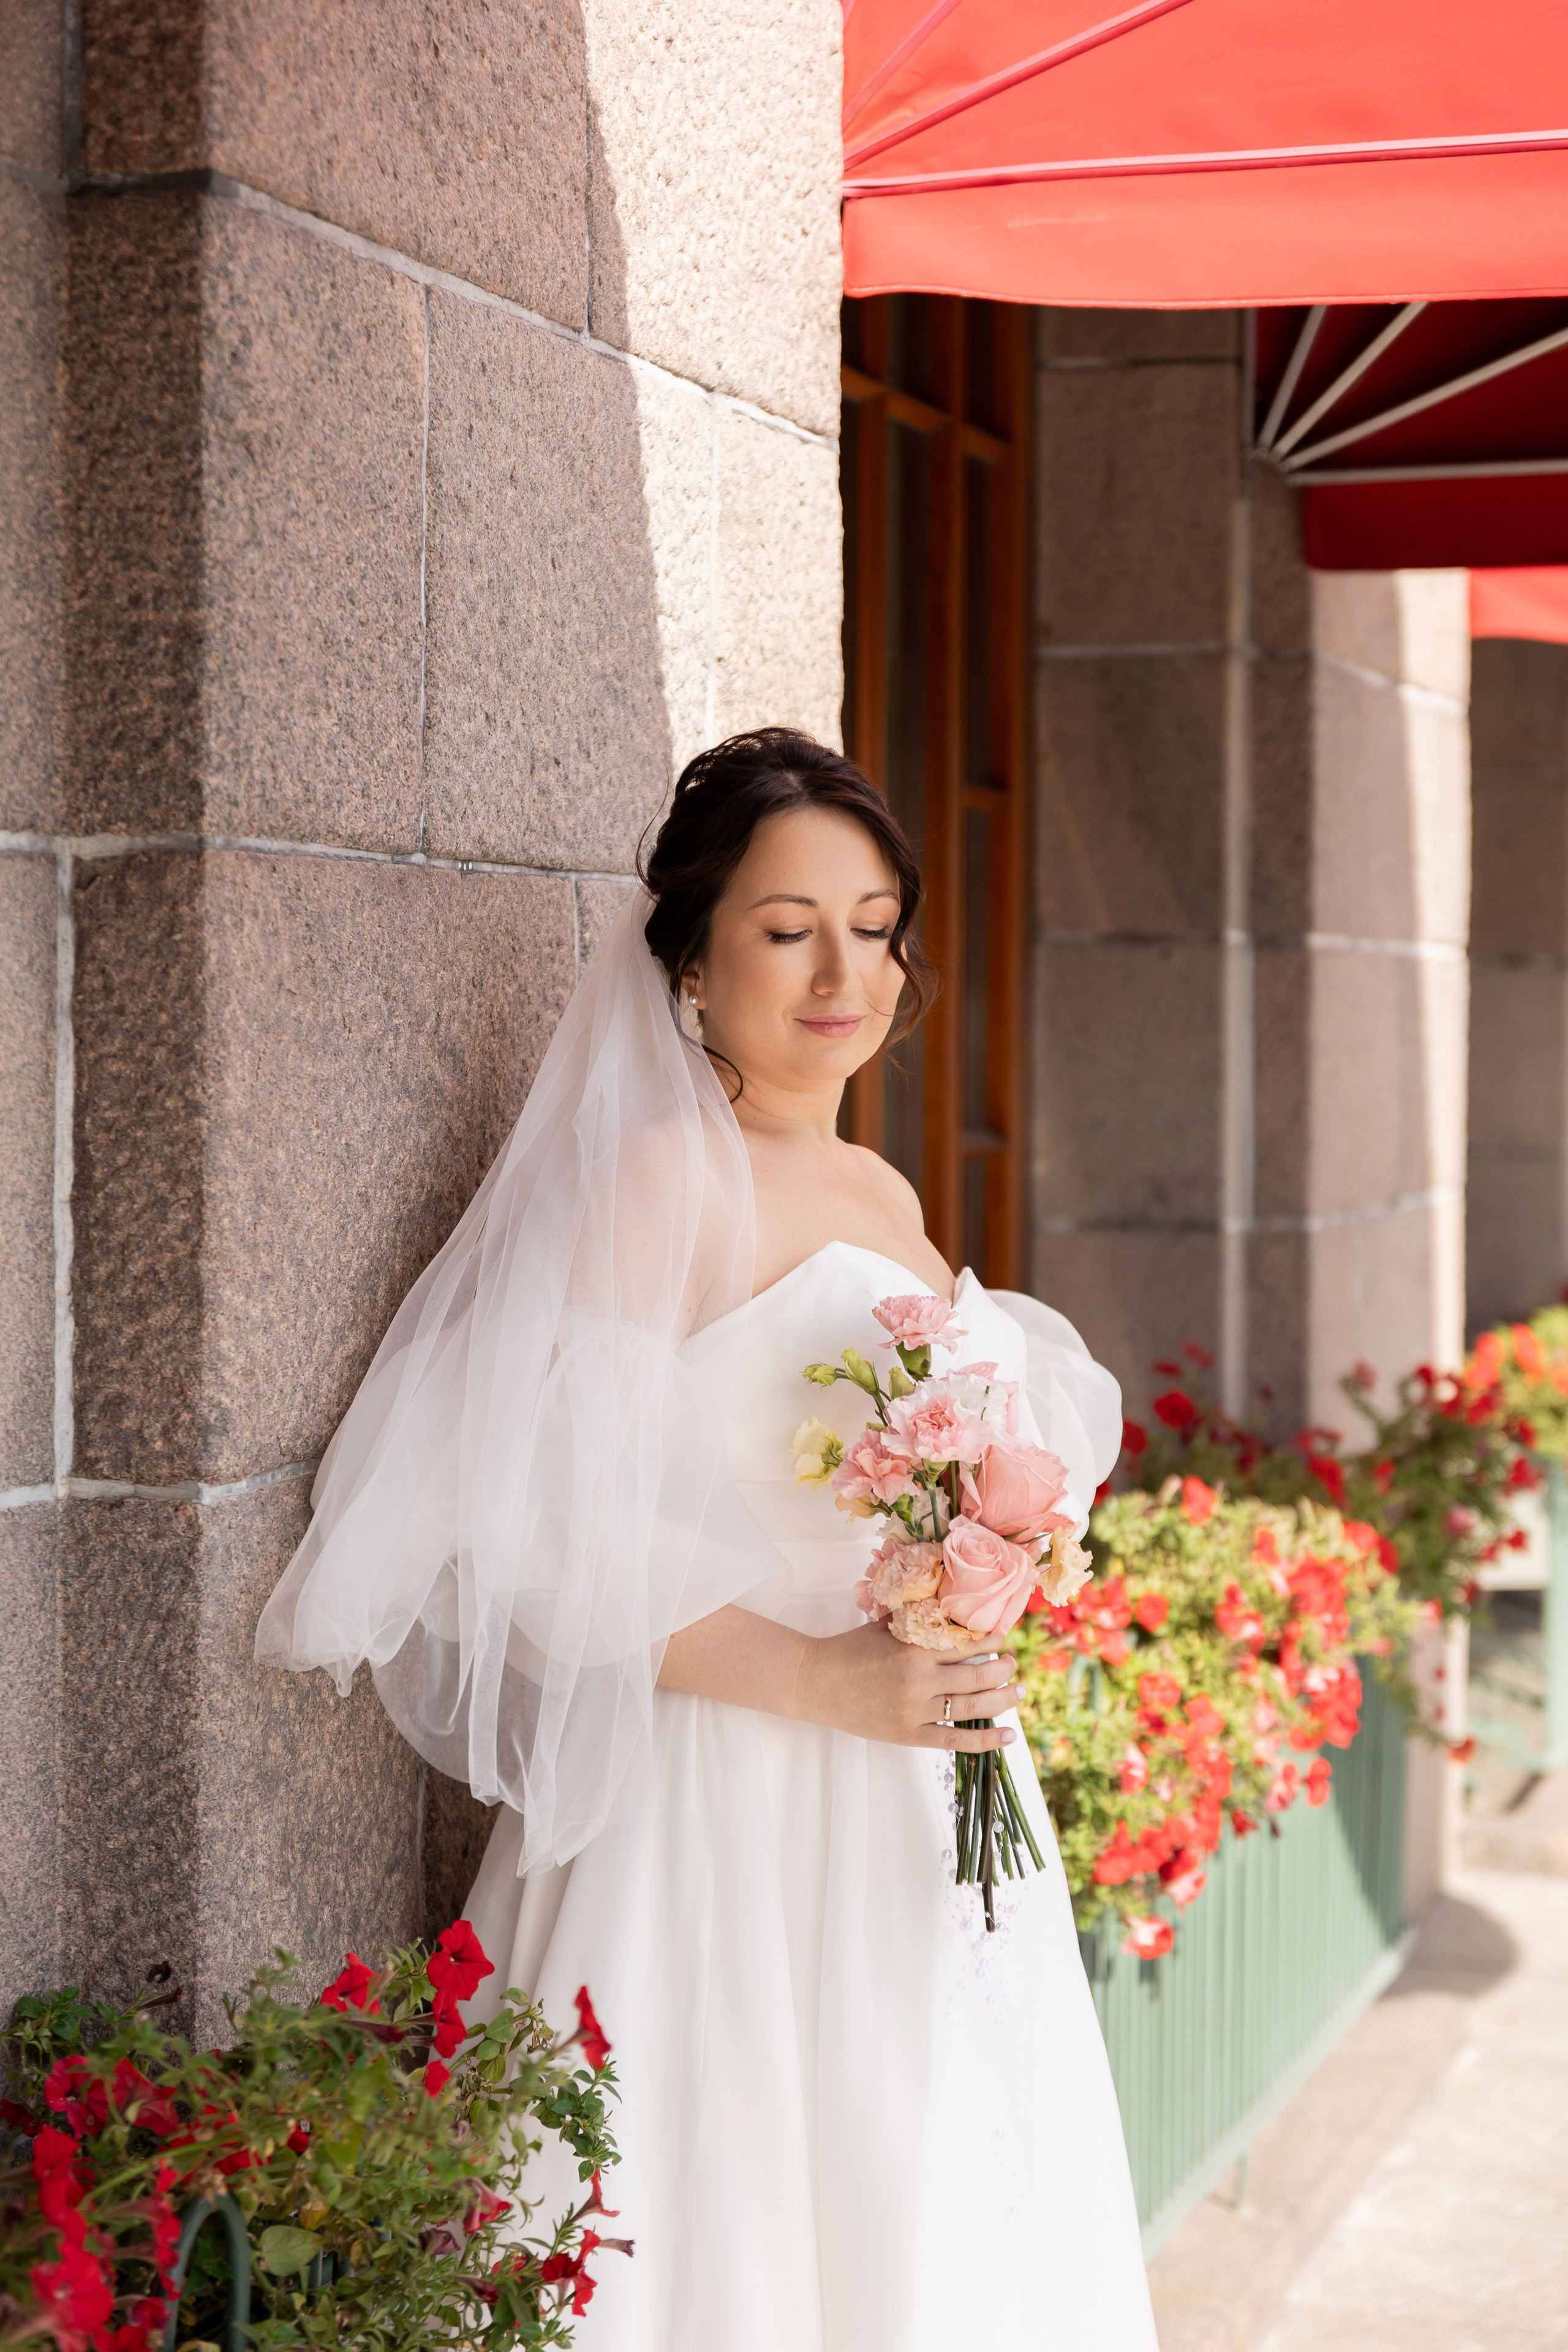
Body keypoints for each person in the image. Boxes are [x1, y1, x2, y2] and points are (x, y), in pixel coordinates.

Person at [257, 729, 1157, 2350]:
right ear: (689, 957)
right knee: (708, 2223)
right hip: (728, 1785)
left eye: (874, 927)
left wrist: (974, 1578)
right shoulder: (657, 1186)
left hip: (917, 1793)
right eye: (786, 926)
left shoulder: (880, 1188)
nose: (843, 974)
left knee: (941, 2204)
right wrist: (824, 1681)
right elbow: (526, 1536)